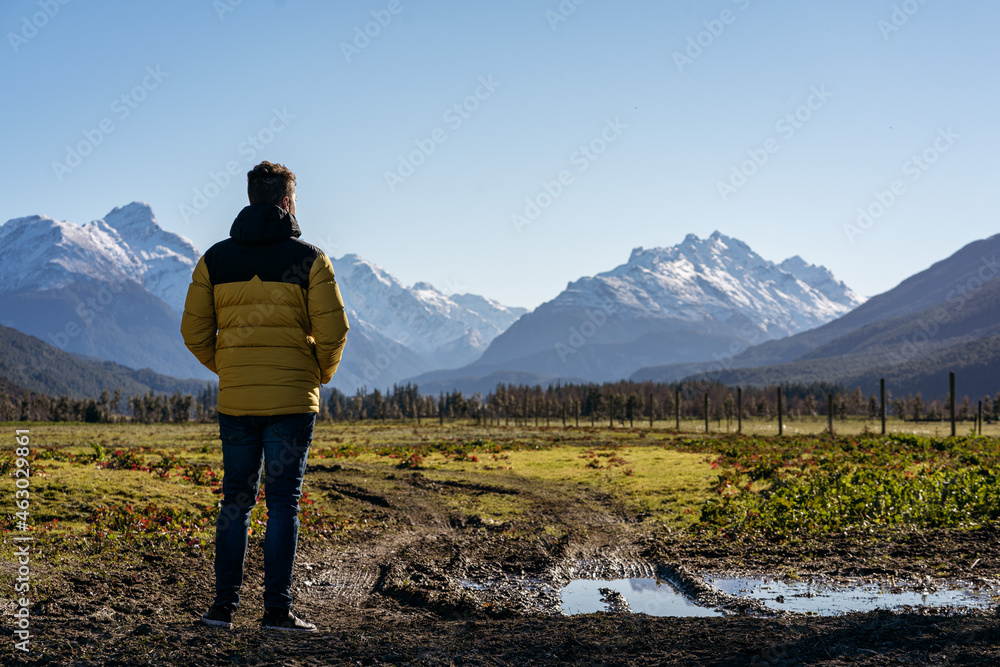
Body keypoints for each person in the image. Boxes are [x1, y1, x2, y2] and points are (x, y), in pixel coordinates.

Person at [181, 161, 349, 631]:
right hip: (293, 401)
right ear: (288, 202)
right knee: (283, 503)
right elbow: (334, 332)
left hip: (236, 401)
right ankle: (277, 612)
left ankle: (222, 610)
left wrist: (231, 368)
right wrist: (318, 372)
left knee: (235, 501)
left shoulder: (214, 259)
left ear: (252, 197)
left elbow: (193, 333)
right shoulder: (312, 259)